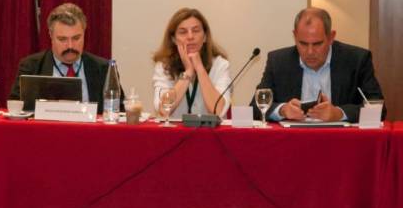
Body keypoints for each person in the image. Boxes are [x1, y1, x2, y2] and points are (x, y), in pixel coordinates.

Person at [253, 7, 385, 123]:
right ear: (294, 36)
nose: (310, 52)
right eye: (303, 44)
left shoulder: (357, 60)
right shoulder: (278, 61)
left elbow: (378, 109)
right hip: (293, 140)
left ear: (331, 37)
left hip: (340, 140)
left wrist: (339, 113)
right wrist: (282, 110)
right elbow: (255, 106)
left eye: (317, 44)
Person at [8, 3, 117, 112]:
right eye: (62, 39)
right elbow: (15, 108)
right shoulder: (31, 67)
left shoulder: (103, 68)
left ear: (84, 34)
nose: (70, 46)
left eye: (76, 38)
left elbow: (118, 110)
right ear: (51, 35)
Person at [152, 8, 231, 119]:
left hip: (210, 130)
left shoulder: (220, 65)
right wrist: (188, 72)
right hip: (176, 130)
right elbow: (164, 110)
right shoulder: (164, 67)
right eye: (183, 32)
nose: (190, 37)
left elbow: (218, 110)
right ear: (174, 39)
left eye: (196, 30)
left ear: (205, 37)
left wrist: (199, 68)